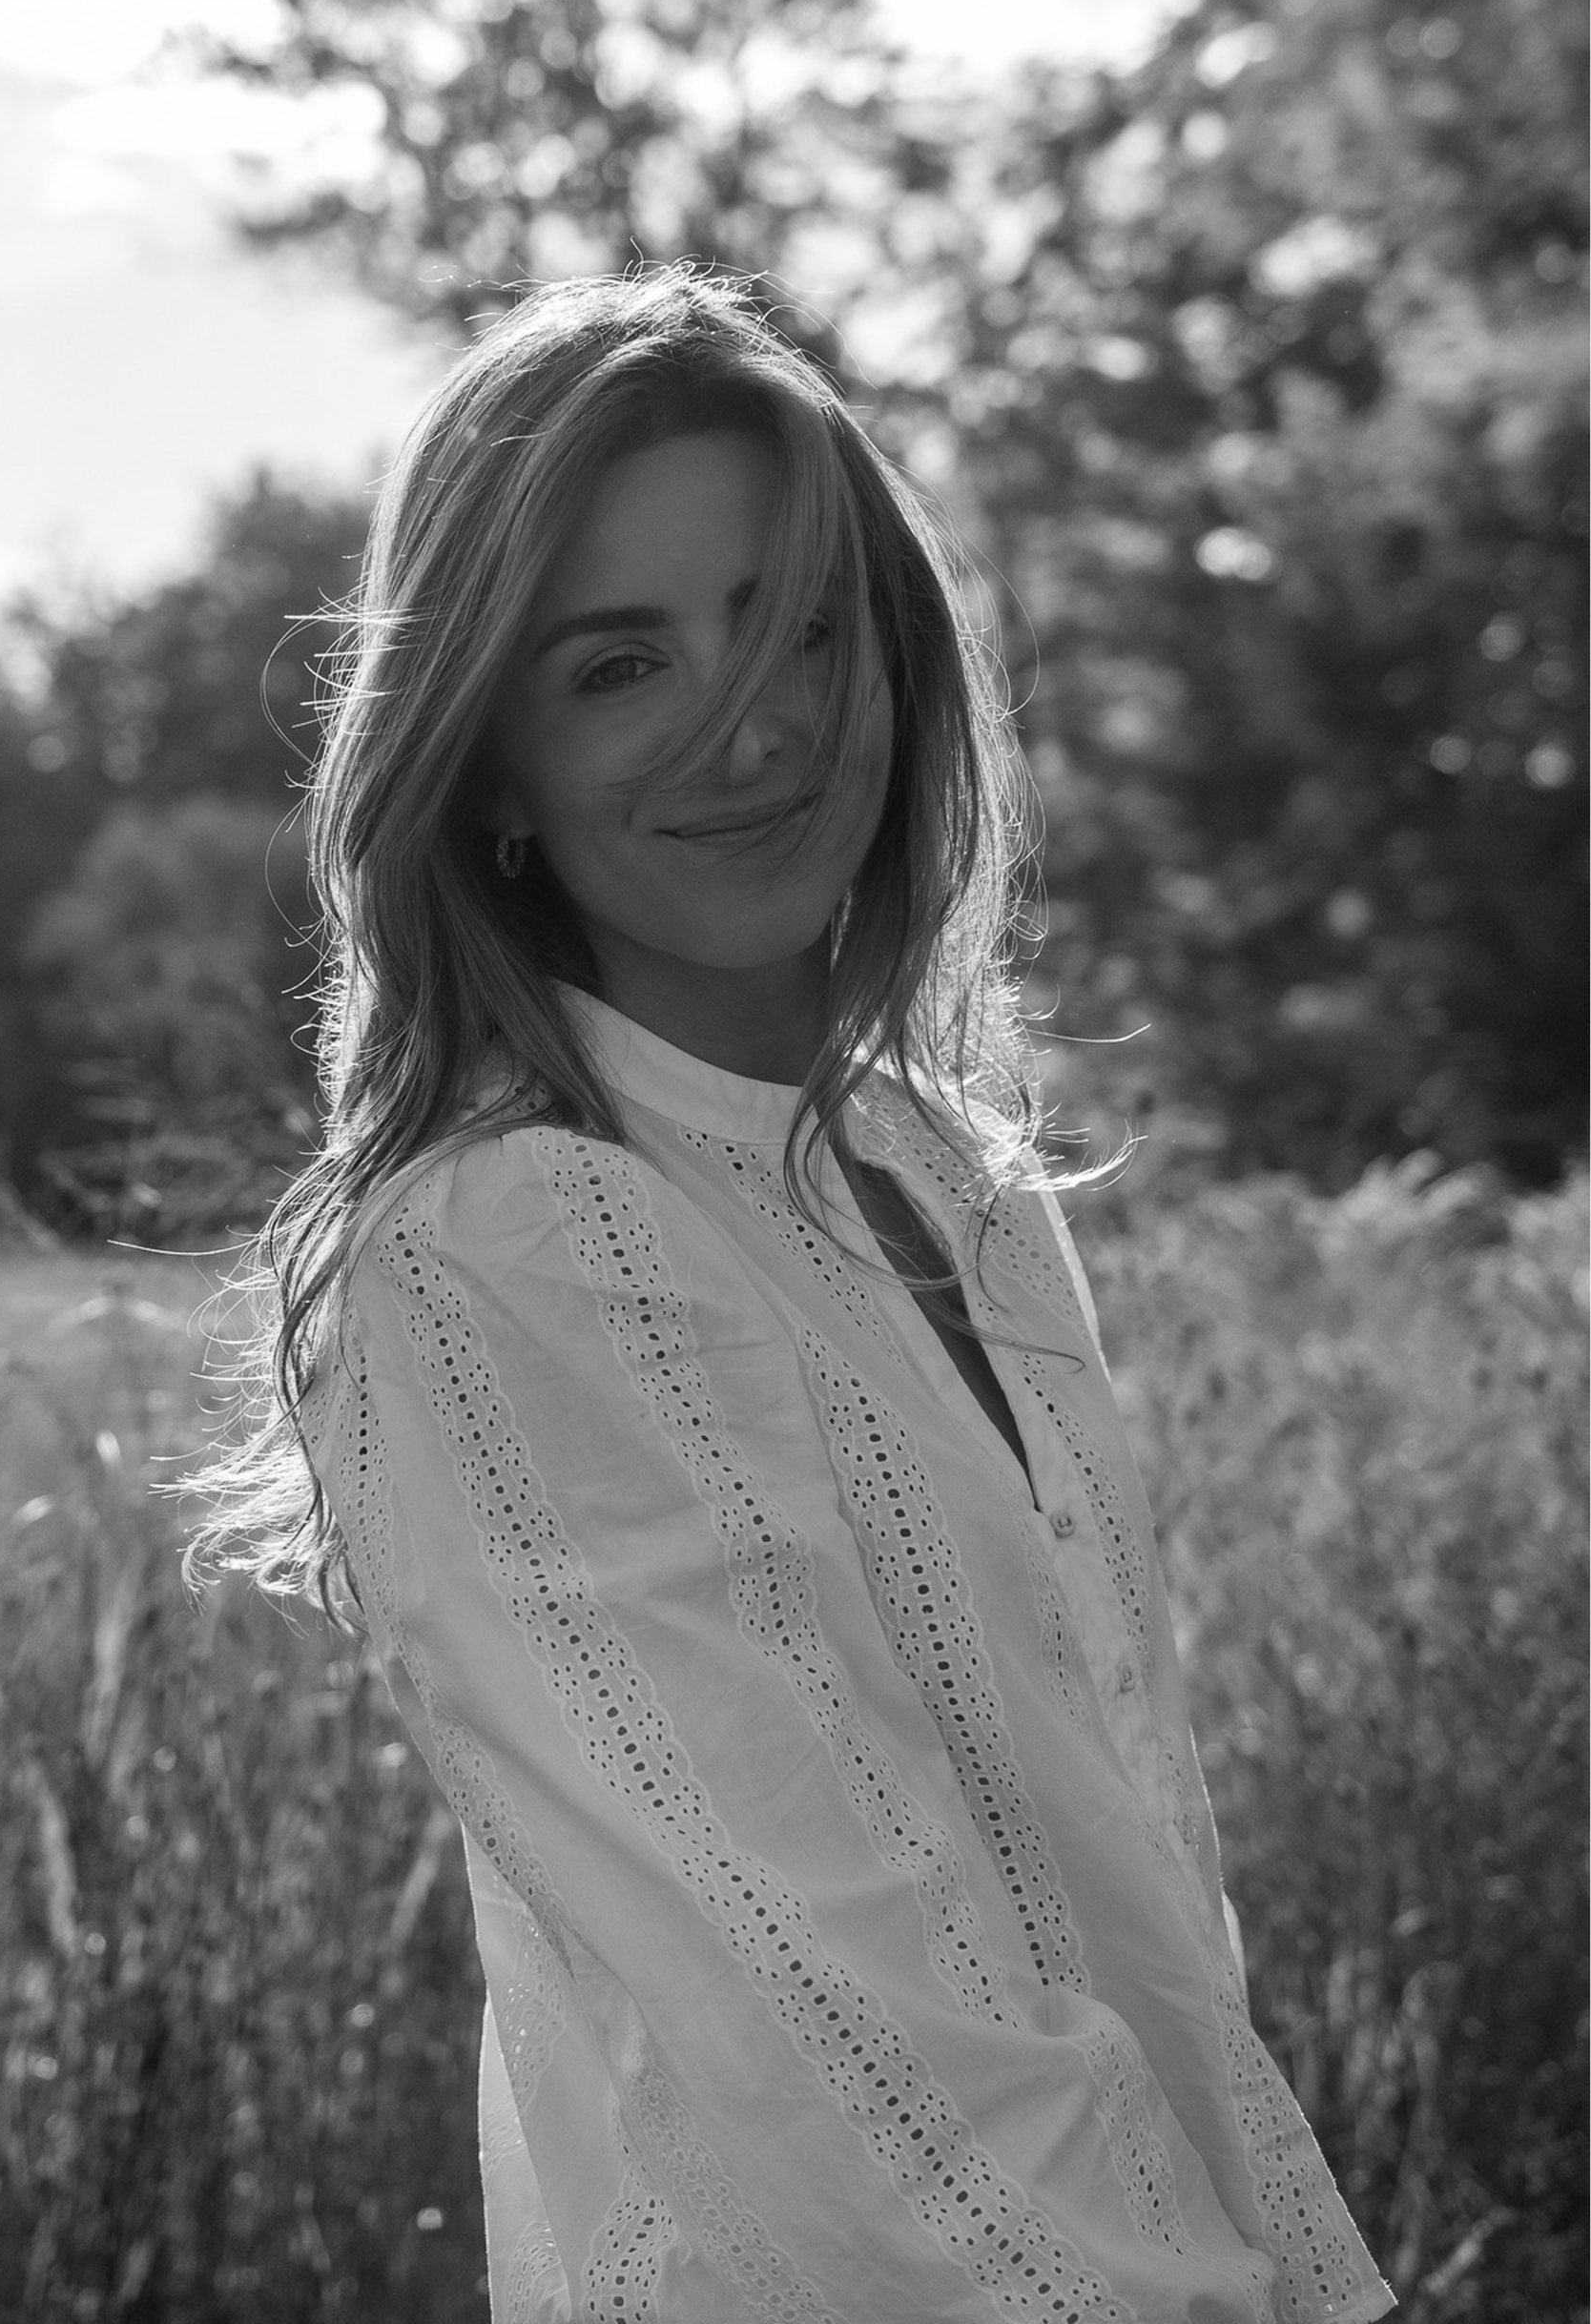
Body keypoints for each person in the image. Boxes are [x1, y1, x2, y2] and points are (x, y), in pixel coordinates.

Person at [189, 270, 1394, 2324]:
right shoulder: (511, 1256)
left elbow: (1125, 1927)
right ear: (485, 766)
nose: (751, 721)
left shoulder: (952, 1178)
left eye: (798, 623)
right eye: (617, 665)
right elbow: (851, 2054)